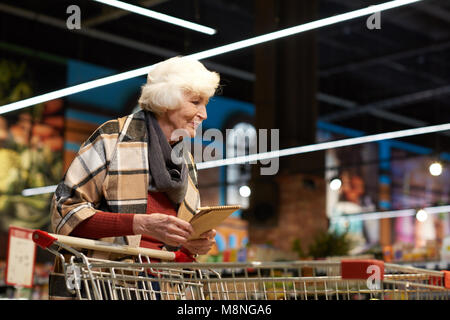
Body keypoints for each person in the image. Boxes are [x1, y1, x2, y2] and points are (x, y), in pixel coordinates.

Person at [48, 56, 220, 298]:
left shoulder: (186, 161)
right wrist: (139, 223)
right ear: (166, 100)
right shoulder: (113, 138)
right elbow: (64, 212)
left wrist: (189, 244)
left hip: (158, 288)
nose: (204, 114)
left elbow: (165, 245)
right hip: (101, 285)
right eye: (195, 102)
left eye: (206, 104)